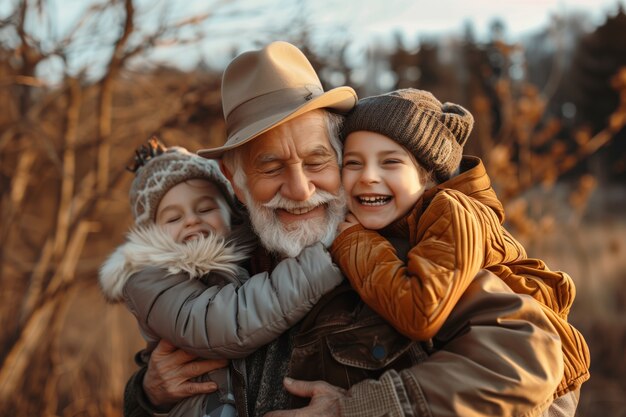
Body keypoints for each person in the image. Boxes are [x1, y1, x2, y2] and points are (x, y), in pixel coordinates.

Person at [122, 41, 564, 417]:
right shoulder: (224, 272)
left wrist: (360, 407)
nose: (298, 189)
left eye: (316, 162)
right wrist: (148, 396)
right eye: (270, 166)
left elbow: (535, 366)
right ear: (235, 179)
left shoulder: (403, 251)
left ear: (341, 155)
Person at [331, 88, 590, 411]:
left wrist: (355, 242)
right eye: (353, 163)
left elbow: (421, 312)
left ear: (427, 178)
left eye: (391, 162)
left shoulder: (451, 210)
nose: (368, 176)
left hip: (540, 387)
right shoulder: (404, 220)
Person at [99, 137, 344, 417]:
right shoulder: (149, 277)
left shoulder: (252, 246)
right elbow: (224, 322)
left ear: (232, 211)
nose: (191, 220)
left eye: (205, 209)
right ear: (151, 234)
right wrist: (317, 266)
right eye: (172, 218)